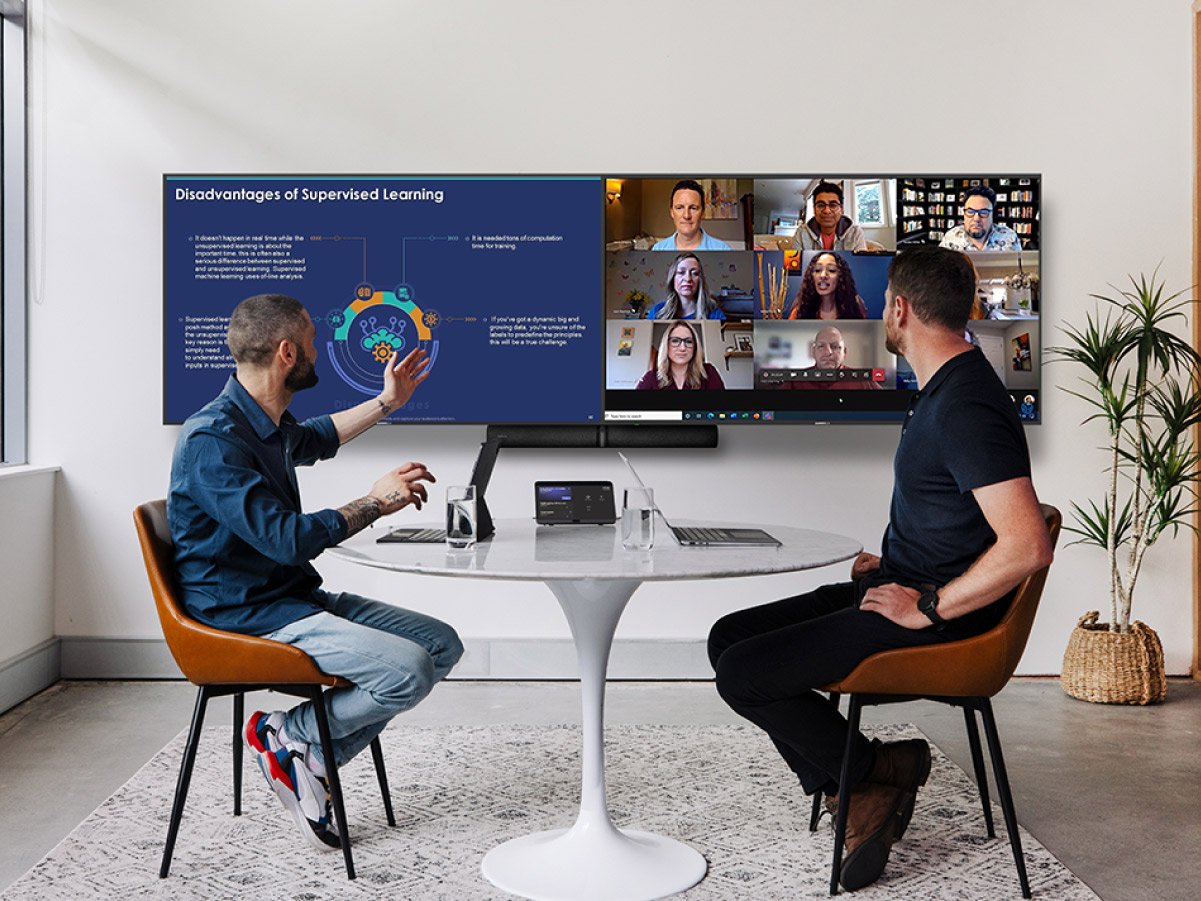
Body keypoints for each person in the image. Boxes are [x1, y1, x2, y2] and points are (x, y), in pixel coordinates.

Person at [708, 246, 1052, 891]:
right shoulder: (945, 390)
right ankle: (861, 775)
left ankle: (868, 780)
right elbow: (957, 515)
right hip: (901, 582)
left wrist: (926, 607)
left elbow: (1028, 544)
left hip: (934, 615)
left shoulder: (967, 406)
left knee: (743, 673)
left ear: (897, 308)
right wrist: (891, 561)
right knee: (728, 635)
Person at [168, 293, 463, 852]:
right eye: (308, 342)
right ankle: (289, 733)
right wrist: (374, 502)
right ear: (286, 353)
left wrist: (386, 402)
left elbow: (319, 437)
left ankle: (310, 758)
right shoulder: (214, 440)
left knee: (441, 645)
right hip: (245, 614)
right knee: (409, 670)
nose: (316, 351)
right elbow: (288, 540)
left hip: (291, 598)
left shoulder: (263, 423)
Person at [774, 326, 881, 390]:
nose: (828, 352)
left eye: (835, 347)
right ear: (813, 352)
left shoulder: (864, 381)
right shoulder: (794, 382)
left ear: (844, 353)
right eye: (821, 346)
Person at [635, 321, 725, 390]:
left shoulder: (709, 373)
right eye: (675, 341)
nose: (682, 348)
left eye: (688, 341)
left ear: (695, 347)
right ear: (666, 345)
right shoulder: (651, 377)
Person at [651, 179, 733, 251]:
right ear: (672, 212)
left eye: (693, 208)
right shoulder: (658, 250)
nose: (686, 215)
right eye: (679, 208)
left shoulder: (722, 250)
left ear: (702, 213)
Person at [939, 185, 1023, 252]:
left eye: (983, 212)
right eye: (970, 211)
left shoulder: (1009, 237)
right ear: (964, 213)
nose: (976, 218)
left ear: (992, 215)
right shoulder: (950, 238)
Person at [646, 252, 726, 320]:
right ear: (673, 278)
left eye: (694, 273)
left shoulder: (715, 314)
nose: (688, 279)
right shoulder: (657, 312)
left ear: (700, 280)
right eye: (681, 272)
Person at [789, 252, 869, 319]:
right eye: (817, 270)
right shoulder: (799, 313)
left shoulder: (854, 310)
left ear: (840, 277)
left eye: (831, 270)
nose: (823, 275)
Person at [793, 181, 868, 252]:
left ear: (841, 209)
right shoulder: (801, 232)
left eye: (833, 205)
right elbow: (792, 264)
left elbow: (862, 263)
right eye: (821, 205)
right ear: (814, 209)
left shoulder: (855, 233)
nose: (827, 211)